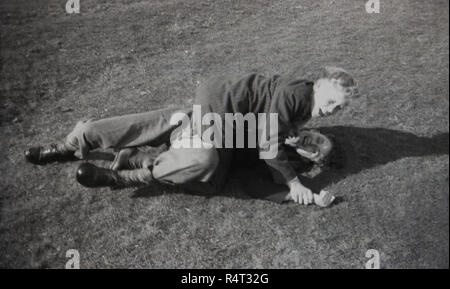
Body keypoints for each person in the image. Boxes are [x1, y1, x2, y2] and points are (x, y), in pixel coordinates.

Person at [25, 66, 358, 205]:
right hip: (219, 112)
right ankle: (121, 170)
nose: (330, 111)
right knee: (206, 161)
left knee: (165, 129)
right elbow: (269, 141)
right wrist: (295, 184)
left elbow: (257, 173)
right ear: (319, 85)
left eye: (338, 109)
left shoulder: (293, 128)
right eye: (331, 101)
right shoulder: (297, 97)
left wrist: (296, 192)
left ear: (311, 158)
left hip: (215, 116)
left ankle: (88, 144)